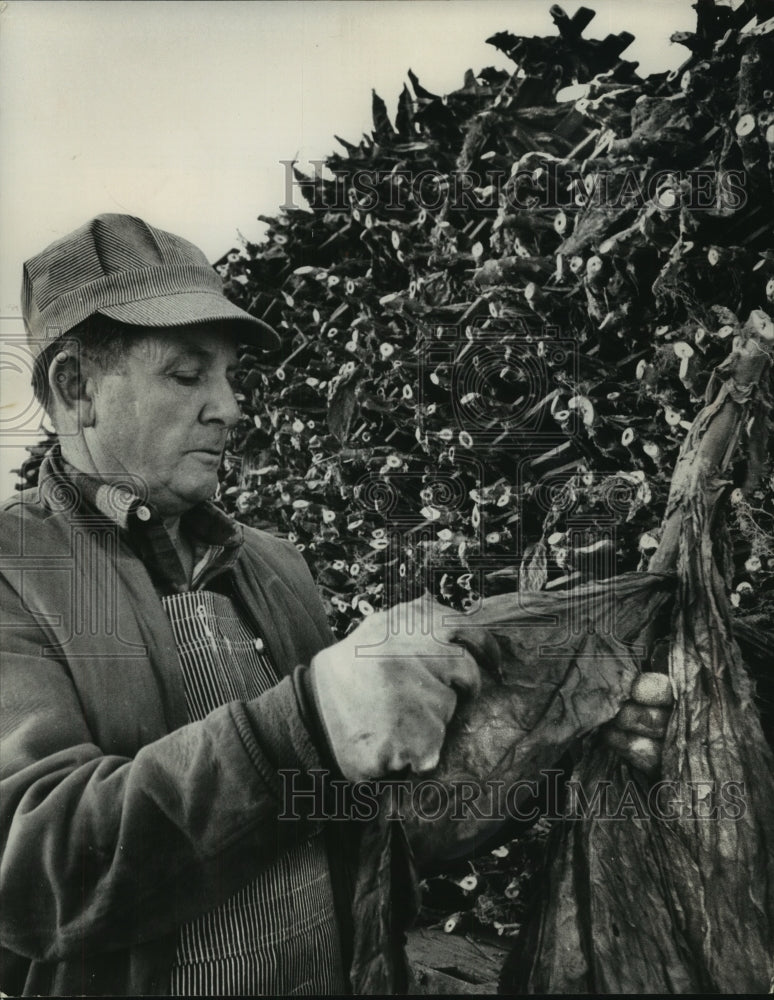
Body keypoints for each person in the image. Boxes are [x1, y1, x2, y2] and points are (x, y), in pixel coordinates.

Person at [0, 214, 671, 997]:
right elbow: (34, 879)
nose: (230, 407)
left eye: (229, 375)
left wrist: (545, 736)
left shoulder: (273, 567)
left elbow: (381, 838)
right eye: (187, 377)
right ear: (74, 388)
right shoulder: (17, 574)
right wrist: (309, 720)